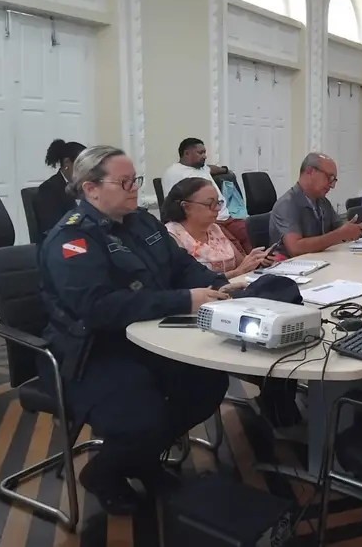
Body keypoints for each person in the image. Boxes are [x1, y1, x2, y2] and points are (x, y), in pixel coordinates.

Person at [39, 145, 231, 515]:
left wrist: (216, 284)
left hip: (147, 337)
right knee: (142, 416)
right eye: (124, 182)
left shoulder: (141, 221)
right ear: (91, 189)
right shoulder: (73, 239)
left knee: (207, 385)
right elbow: (98, 308)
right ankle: (103, 474)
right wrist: (182, 301)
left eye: (135, 180)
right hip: (89, 351)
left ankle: (141, 458)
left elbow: (180, 265)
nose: (134, 189)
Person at [269, 153, 362, 257]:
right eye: (329, 178)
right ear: (310, 171)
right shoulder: (286, 204)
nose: (332, 186)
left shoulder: (322, 201)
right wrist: (339, 235)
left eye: (334, 180)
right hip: (291, 268)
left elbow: (342, 230)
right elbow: (295, 249)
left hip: (319, 261)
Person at [162, 178, 270, 277]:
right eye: (210, 204)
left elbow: (241, 263)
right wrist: (237, 272)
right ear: (186, 207)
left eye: (218, 203)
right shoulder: (172, 236)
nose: (218, 208)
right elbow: (187, 282)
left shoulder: (214, 229)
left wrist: (258, 260)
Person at [162, 138, 252, 253]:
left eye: (204, 152)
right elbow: (175, 202)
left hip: (226, 217)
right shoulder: (174, 172)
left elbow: (211, 168)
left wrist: (224, 170)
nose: (204, 156)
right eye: (200, 153)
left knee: (251, 234)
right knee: (235, 248)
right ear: (187, 153)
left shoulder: (202, 168)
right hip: (209, 221)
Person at [35, 139, 86, 238]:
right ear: (67, 163)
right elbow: (51, 227)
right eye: (82, 165)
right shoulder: (48, 189)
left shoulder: (88, 185)